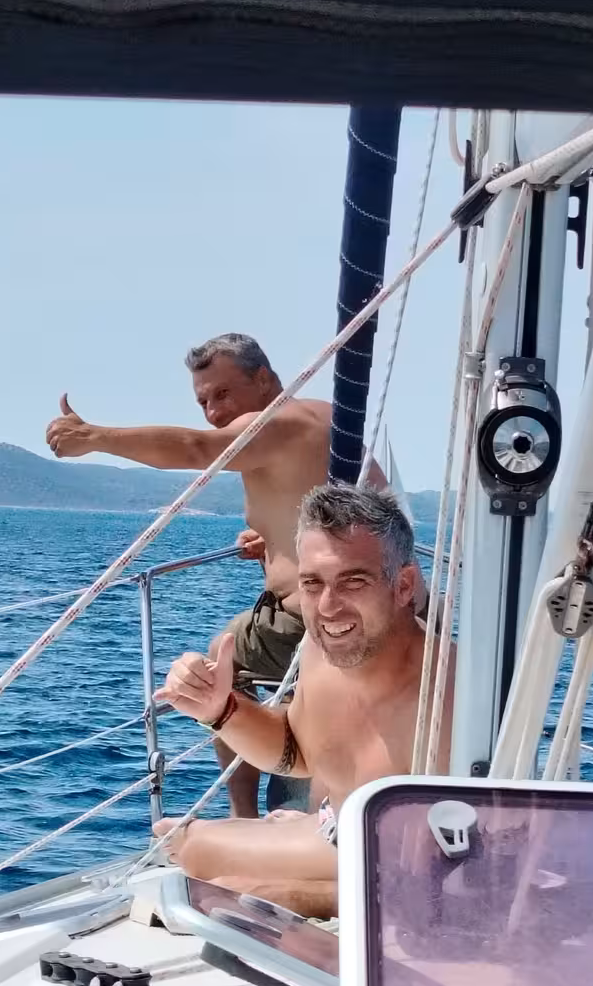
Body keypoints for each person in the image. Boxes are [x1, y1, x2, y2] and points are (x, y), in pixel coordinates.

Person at [46, 333, 330, 818]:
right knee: (232, 648)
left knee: (217, 669)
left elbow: (198, 447)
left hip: (316, 623)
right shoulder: (319, 416)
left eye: (223, 394)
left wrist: (96, 437)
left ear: (264, 379)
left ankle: (243, 816)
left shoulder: (278, 422)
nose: (214, 413)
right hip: (358, 603)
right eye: (203, 402)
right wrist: (275, 542)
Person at [153, 483, 449, 917]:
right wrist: (221, 710)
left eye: (353, 581)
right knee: (181, 843)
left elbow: (450, 882)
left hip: (406, 874)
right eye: (312, 584)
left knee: (213, 885)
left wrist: (288, 895)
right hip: (340, 835)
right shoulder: (318, 650)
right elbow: (296, 754)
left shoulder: (447, 693)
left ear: (403, 585)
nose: (328, 608)